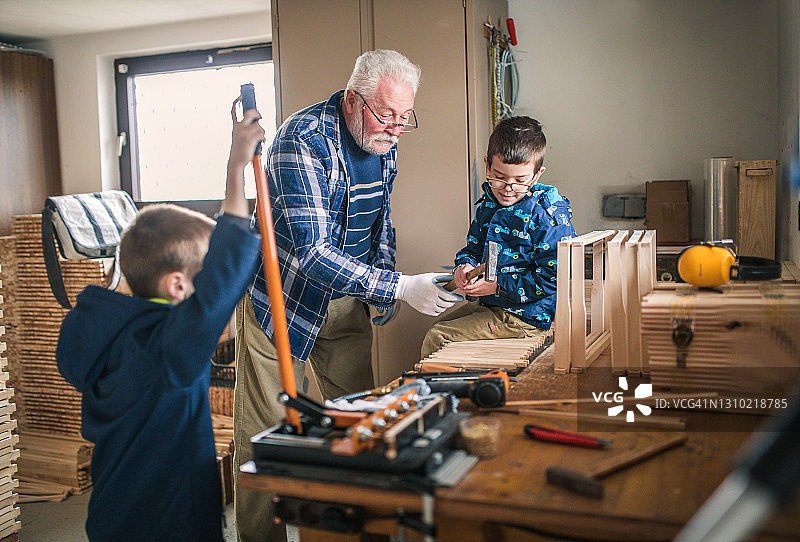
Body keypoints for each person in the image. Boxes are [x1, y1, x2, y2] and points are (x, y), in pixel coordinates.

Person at [234, 49, 461, 542]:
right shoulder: (303, 139)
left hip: (348, 299)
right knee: (266, 437)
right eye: (388, 115)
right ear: (355, 101)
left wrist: (384, 287)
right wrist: (401, 289)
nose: (397, 129)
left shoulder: (384, 138)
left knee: (360, 420)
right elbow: (313, 254)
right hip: (284, 301)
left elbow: (379, 222)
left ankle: (350, 532)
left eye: (406, 118)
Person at [56, 98, 265, 541]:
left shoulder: (90, 325)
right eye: (196, 278)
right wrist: (235, 167)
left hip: (110, 517)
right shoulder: (168, 350)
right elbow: (223, 279)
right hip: (172, 525)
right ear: (175, 287)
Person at [420, 116, 576, 358]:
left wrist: (497, 286)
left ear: (537, 174)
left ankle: (440, 396)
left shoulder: (548, 216)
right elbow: (472, 249)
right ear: (487, 166)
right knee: (436, 329)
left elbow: (555, 278)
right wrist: (464, 267)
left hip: (526, 316)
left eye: (520, 180)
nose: (508, 187)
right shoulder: (488, 204)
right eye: (500, 176)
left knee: (439, 337)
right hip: (493, 305)